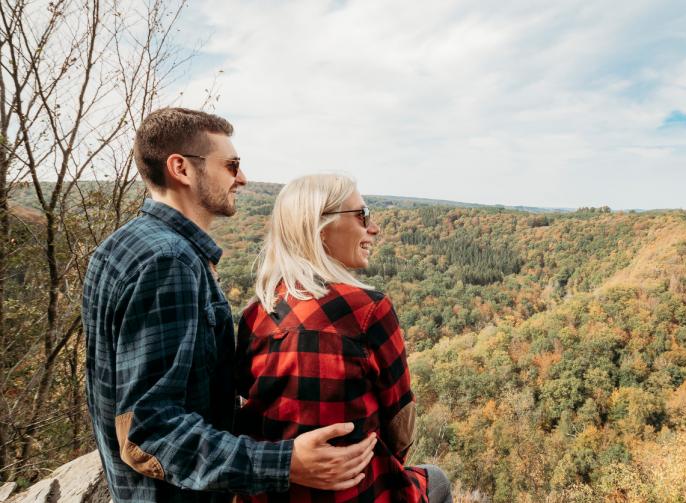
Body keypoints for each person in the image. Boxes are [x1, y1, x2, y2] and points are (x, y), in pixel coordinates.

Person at [83, 108, 376, 503]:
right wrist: (284, 462)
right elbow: (149, 430)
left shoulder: (120, 246)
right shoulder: (169, 262)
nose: (242, 178)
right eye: (232, 165)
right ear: (181, 169)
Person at [233, 174, 452, 503]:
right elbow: (400, 427)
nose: (373, 229)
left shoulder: (255, 314)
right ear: (321, 229)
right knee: (436, 480)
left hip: (269, 493)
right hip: (355, 493)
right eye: (363, 216)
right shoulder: (369, 310)